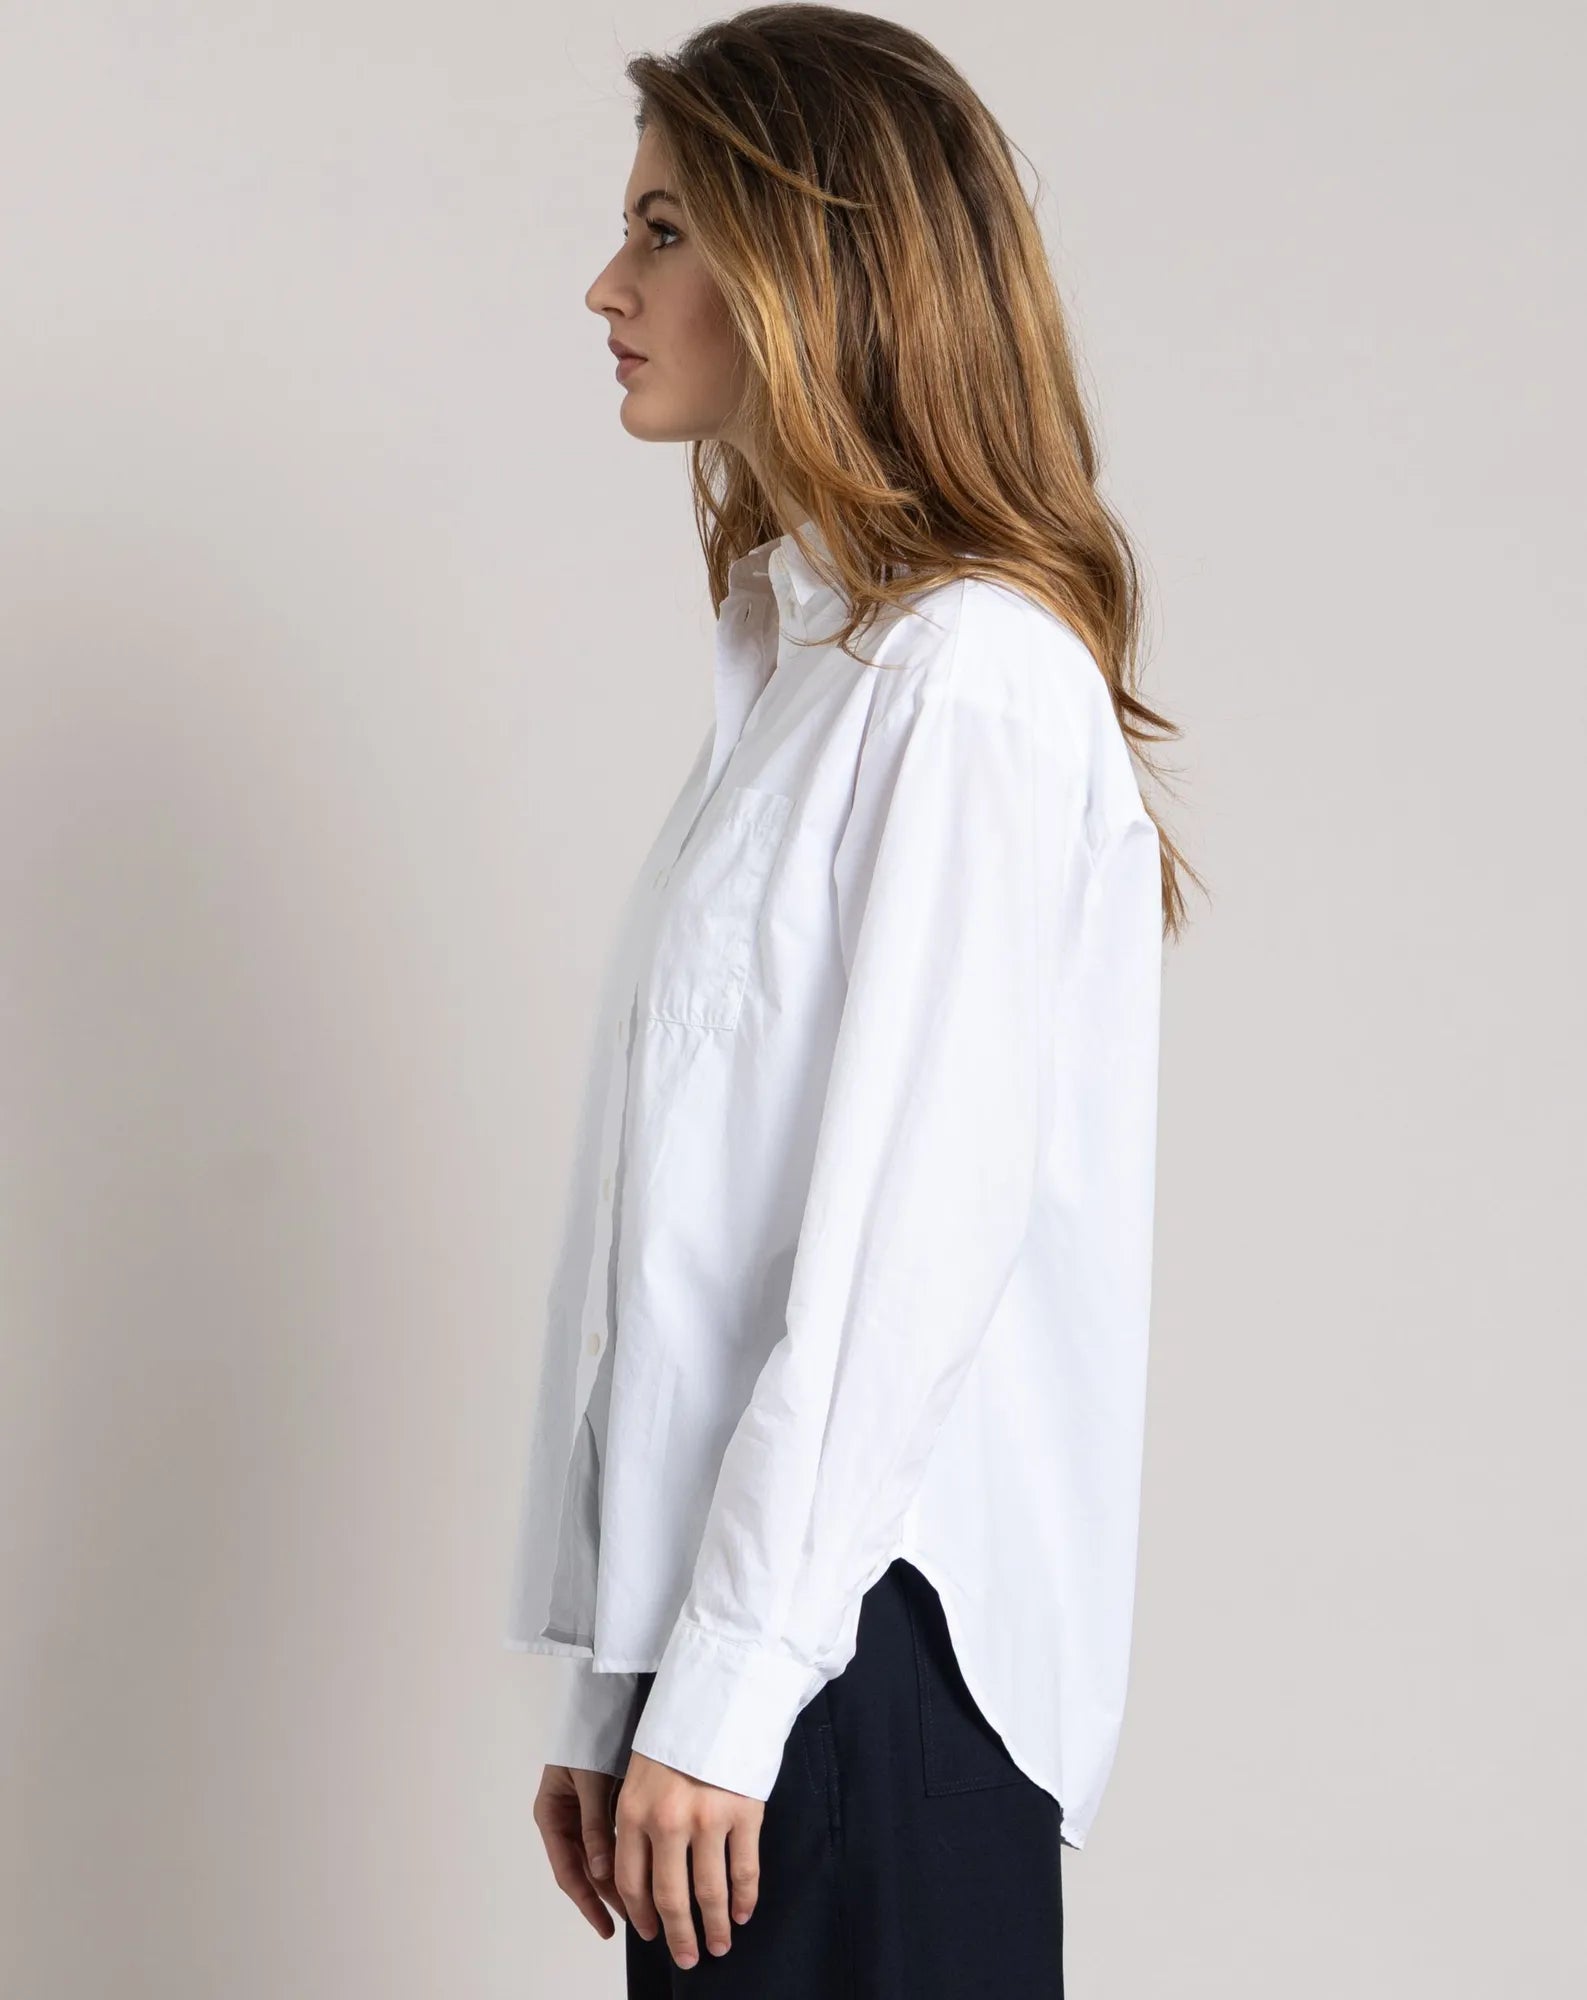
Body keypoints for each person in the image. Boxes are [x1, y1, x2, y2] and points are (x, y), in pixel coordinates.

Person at [504, 7, 1200, 1992]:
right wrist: (624, 1678)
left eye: (662, 231)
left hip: (871, 1647)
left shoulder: (966, 681)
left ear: (816, 269)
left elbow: (907, 1245)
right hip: (764, 1648)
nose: (606, 287)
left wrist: (722, 1679)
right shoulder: (803, 682)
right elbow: (691, 1248)